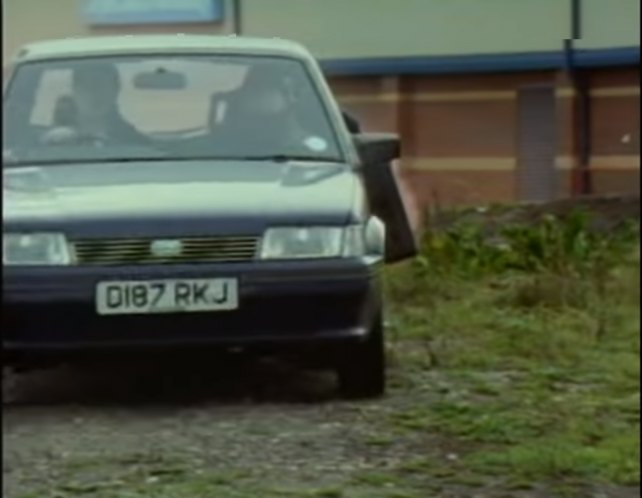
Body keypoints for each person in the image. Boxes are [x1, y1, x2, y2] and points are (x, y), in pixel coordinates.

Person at [71, 62, 149, 145]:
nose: (93, 93)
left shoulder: (137, 144)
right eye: (86, 86)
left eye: (99, 85)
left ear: (116, 89)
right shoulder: (58, 141)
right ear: (74, 90)